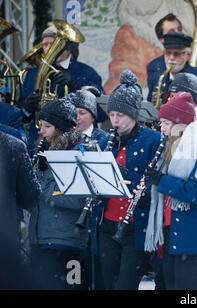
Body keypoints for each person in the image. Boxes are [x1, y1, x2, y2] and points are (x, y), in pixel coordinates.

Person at [142, 92, 197, 290]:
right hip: (168, 234)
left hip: (191, 238)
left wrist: (162, 180)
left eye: (166, 123)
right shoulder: (169, 149)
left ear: (180, 124)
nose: (162, 129)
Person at [96, 70, 161, 290]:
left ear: (134, 115)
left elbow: (152, 184)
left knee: (125, 285)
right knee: (107, 283)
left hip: (135, 226)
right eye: (111, 115)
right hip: (107, 224)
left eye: (120, 116)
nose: (114, 121)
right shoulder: (106, 141)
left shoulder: (153, 140)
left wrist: (122, 173)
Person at [28, 97, 88, 290]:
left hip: (65, 242)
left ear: (60, 129)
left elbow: (77, 200)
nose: (41, 131)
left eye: (47, 126)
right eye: (41, 125)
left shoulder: (76, 154)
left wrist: (40, 187)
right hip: (41, 239)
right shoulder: (43, 151)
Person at [18, 23, 104, 150]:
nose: (48, 49)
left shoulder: (86, 72)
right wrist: (26, 108)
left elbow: (101, 113)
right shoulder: (32, 75)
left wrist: (75, 86)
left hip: (75, 144)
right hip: (39, 142)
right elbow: (18, 117)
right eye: (45, 45)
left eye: (53, 44)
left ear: (66, 47)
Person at [146, 32, 197, 104]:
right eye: (168, 53)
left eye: (177, 53)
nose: (171, 58)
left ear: (188, 55)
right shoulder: (156, 77)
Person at [146, 13, 183, 85]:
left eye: (179, 29)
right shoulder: (153, 67)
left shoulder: (192, 58)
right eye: (172, 31)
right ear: (162, 39)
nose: (178, 34)